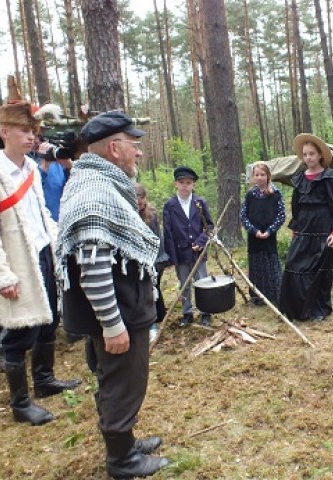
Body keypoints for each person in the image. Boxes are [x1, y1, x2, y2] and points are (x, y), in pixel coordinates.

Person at [56, 111, 169, 478]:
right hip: (117, 314)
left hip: (119, 309)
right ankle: (122, 461)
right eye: (134, 146)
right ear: (115, 148)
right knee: (124, 384)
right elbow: (92, 266)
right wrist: (112, 324)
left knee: (114, 380)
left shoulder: (95, 181)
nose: (138, 153)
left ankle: (125, 443)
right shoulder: (95, 191)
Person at [0, 101, 81, 426]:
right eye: (23, 130)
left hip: (43, 254)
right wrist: (2, 276)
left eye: (33, 131)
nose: (31, 137)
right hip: (17, 262)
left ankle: (45, 381)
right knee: (20, 333)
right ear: (4, 131)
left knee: (48, 320)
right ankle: (20, 405)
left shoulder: (32, 170)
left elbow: (41, 214)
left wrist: (60, 240)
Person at [279, 134, 333, 321]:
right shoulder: (299, 179)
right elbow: (296, 207)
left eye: (312, 154)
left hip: (323, 227)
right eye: (305, 154)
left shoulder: (329, 177)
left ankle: (318, 310)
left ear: (320, 155)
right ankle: (296, 309)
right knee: (293, 265)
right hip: (304, 227)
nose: (308, 158)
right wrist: (295, 230)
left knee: (319, 269)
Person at [163, 166, 215, 327]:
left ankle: (205, 312)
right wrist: (172, 257)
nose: (185, 186)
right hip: (181, 252)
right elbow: (168, 232)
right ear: (176, 184)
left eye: (188, 182)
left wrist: (201, 242)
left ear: (193, 185)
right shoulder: (170, 205)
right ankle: (187, 312)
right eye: (181, 182)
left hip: (198, 252)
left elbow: (209, 226)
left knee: (202, 281)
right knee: (184, 283)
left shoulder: (200, 203)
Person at [240, 162, 286, 305]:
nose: (260, 178)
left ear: (268, 176)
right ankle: (257, 297)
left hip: (269, 236)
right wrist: (254, 231)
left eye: (262, 175)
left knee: (271, 264)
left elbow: (281, 215)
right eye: (257, 175)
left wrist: (270, 230)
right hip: (254, 237)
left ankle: (274, 296)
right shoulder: (250, 195)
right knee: (256, 265)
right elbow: (243, 216)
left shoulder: (275, 194)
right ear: (253, 177)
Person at [136, 183, 169, 343]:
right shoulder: (129, 214)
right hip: (140, 260)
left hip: (156, 259)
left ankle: (154, 321)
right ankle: (151, 320)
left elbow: (156, 238)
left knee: (153, 289)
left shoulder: (152, 214)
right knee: (145, 291)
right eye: (135, 199)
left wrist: (158, 260)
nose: (138, 203)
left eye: (140, 199)